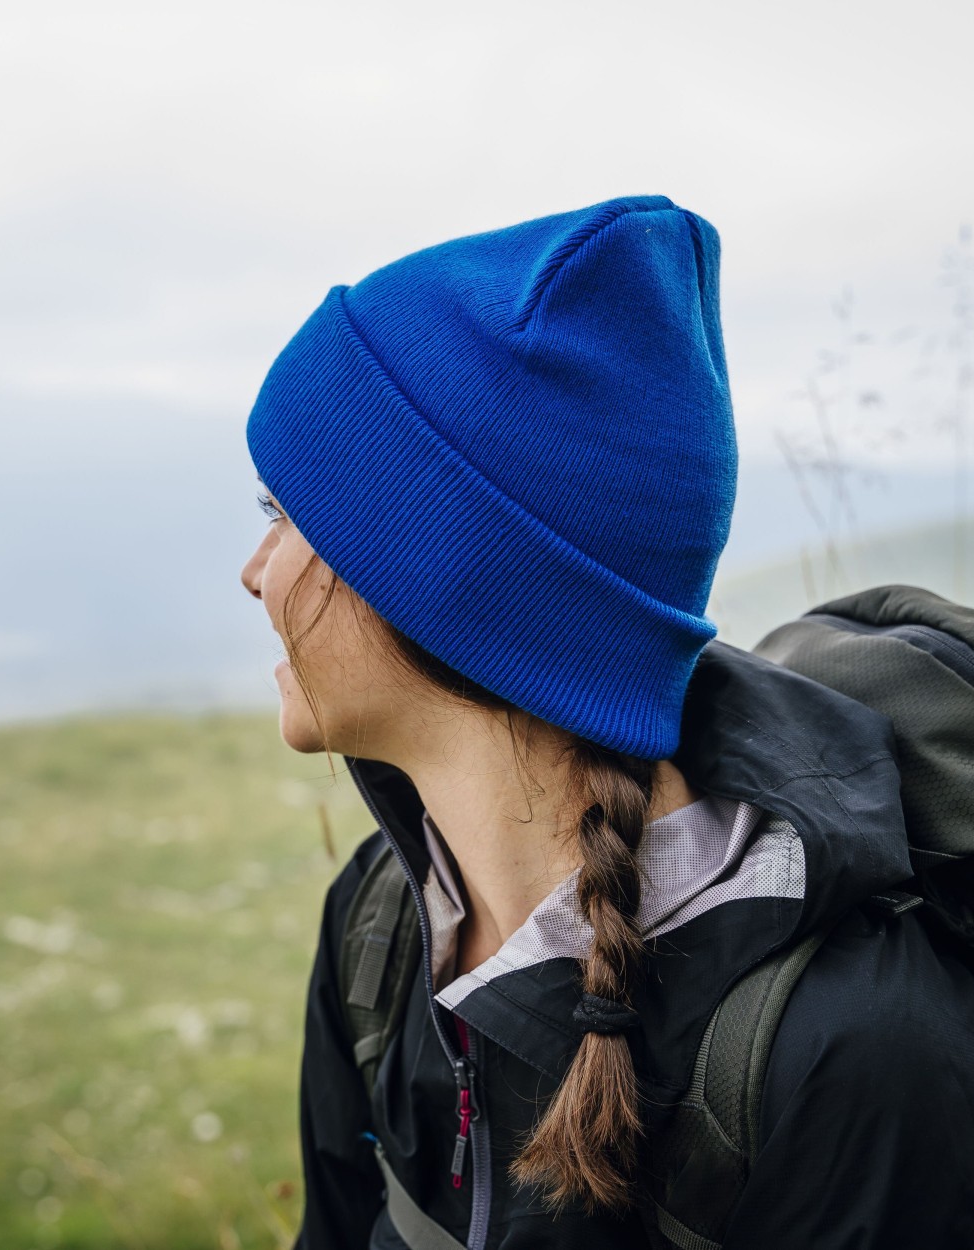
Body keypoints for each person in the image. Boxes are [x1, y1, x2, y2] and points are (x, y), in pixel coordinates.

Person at [240, 196, 974, 1249]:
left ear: (441, 576)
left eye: (286, 515)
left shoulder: (853, 1052)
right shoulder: (381, 925)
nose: (255, 571)